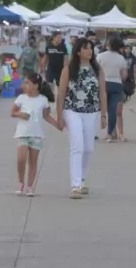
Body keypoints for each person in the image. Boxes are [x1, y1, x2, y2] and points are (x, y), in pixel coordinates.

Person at [57, 38, 107, 199]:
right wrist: (59, 116)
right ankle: (75, 185)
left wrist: (104, 114)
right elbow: (61, 94)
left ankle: (82, 179)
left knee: (88, 149)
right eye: (85, 48)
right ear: (78, 51)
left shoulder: (97, 69)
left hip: (91, 111)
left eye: (91, 48)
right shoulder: (69, 69)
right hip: (72, 110)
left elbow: (102, 93)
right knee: (77, 146)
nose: (89, 51)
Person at [11, 72, 61, 196]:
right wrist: (21, 115)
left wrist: (57, 124)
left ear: (36, 85)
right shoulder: (21, 98)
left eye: (27, 83)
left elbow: (46, 116)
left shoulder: (43, 100)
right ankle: (20, 182)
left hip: (36, 134)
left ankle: (30, 186)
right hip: (22, 133)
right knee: (21, 158)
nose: (24, 85)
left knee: (33, 161)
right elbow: (12, 112)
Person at [96, 38, 127, 142]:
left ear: (108, 44)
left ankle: (94, 132)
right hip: (116, 84)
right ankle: (109, 133)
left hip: (103, 83)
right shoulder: (121, 58)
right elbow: (124, 75)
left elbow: (95, 70)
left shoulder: (100, 56)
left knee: (98, 108)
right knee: (112, 110)